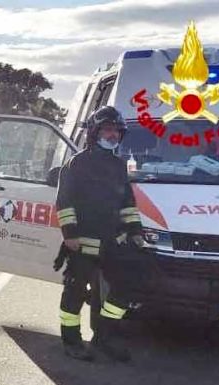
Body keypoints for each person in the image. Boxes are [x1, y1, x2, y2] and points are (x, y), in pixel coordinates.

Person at [55, 106, 143, 363]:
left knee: (125, 287)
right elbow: (64, 201)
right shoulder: (77, 163)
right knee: (75, 291)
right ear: (94, 132)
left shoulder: (119, 165)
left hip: (112, 242)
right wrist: (70, 234)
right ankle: (71, 341)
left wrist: (135, 230)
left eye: (116, 130)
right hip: (82, 242)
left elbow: (127, 202)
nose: (112, 134)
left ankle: (104, 336)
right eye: (107, 129)